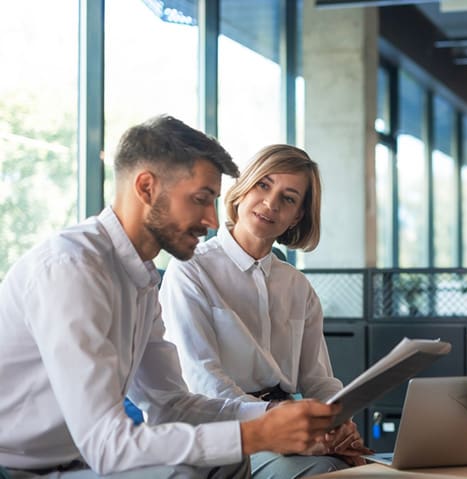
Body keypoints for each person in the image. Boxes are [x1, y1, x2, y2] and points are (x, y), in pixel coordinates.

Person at [0, 116, 347, 478]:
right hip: (20, 469)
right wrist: (253, 434)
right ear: (147, 188)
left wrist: (272, 418)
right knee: (192, 472)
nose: (212, 220)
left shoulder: (140, 280)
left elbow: (170, 405)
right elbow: (108, 444)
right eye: (200, 200)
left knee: (225, 461)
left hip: (79, 461)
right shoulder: (72, 269)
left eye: (213, 201)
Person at [159, 144, 368, 477]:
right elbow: (204, 382)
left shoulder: (297, 286)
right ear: (242, 189)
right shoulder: (191, 271)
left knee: (365, 469)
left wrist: (338, 422)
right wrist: (280, 424)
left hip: (286, 425)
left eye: (288, 198)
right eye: (263, 185)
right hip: (222, 432)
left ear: (297, 216)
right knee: (326, 472)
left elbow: (318, 380)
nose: (271, 203)